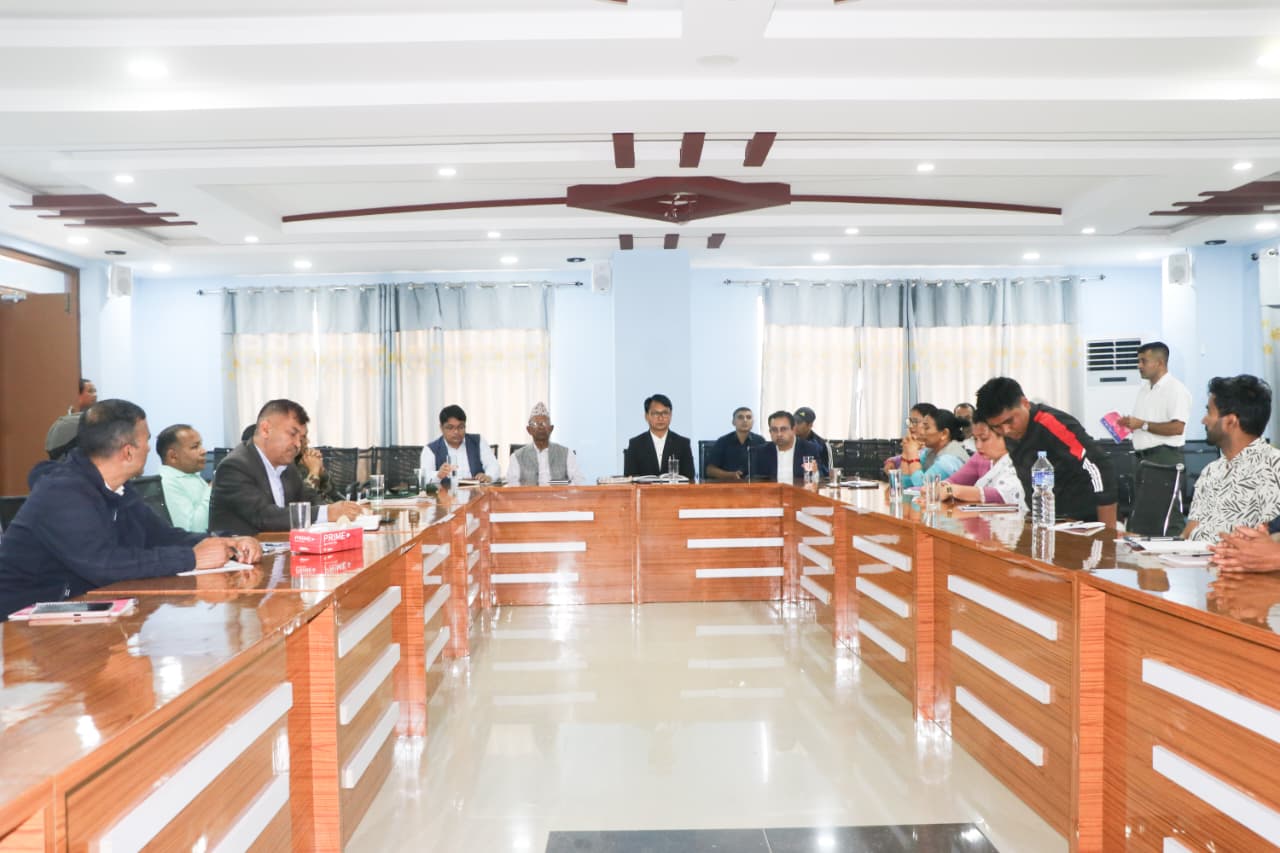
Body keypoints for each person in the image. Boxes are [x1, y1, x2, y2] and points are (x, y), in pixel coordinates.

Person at [0, 399, 261, 619]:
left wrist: (226, 541)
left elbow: (163, 536)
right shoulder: (62, 493)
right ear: (127, 452)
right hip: (25, 625)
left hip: (87, 613)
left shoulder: (120, 489)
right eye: (146, 440)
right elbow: (105, 564)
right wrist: (191, 558)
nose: (149, 448)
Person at [975, 377, 1117, 526]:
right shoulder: (1010, 432)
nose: (1006, 430)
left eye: (1009, 421)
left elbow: (1100, 465)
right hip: (1045, 519)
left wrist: (1108, 530)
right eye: (996, 426)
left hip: (1083, 520)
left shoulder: (1052, 424)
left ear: (1025, 403)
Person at [209, 399, 362, 535]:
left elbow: (309, 498)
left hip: (281, 549)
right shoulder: (235, 467)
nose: (298, 444)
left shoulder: (286, 465)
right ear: (265, 430)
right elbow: (265, 517)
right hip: (240, 555)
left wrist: (341, 511)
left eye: (301, 438)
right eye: (292, 434)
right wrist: (327, 513)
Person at [1182, 375, 1280, 542]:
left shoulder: (1274, 467)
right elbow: (1189, 533)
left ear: (1230, 421)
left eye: (1209, 412)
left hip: (1233, 558)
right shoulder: (1211, 471)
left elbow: (1268, 540)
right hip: (1192, 557)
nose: (1204, 420)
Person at [1117, 341, 1193, 533]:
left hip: (1164, 457)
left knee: (1169, 514)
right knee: (1144, 514)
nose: (1139, 365)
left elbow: (1177, 427)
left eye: (1144, 361)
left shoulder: (1176, 389)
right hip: (1142, 458)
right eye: (1139, 361)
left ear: (1159, 362)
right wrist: (1129, 425)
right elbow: (1145, 424)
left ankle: (1177, 548)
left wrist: (1142, 424)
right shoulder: (1144, 389)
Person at [942, 419, 1024, 506]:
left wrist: (952, 490)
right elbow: (953, 481)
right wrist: (941, 488)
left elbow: (1002, 495)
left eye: (984, 439)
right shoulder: (981, 456)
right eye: (975, 439)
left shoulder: (1022, 459)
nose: (978, 446)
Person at [506, 402, 586, 486]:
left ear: (551, 429)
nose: (541, 427)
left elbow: (578, 480)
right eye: (535, 424)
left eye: (545, 423)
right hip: (529, 494)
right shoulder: (516, 456)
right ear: (529, 430)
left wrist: (557, 484)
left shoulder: (567, 453)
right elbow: (512, 485)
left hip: (559, 494)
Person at [421, 404, 501, 485]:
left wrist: (488, 476)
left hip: (476, 491)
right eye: (450, 428)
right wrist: (438, 475)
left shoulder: (478, 441)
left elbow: (493, 465)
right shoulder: (431, 449)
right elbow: (424, 478)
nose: (456, 432)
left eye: (460, 427)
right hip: (447, 492)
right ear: (441, 428)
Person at [157, 423, 212, 533]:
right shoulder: (166, 482)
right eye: (195, 447)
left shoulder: (189, 475)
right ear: (173, 456)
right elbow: (193, 530)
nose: (203, 451)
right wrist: (212, 489)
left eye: (201, 445)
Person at [750, 410, 827, 483]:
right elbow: (754, 480)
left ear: (793, 430)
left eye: (783, 429)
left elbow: (821, 478)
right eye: (774, 430)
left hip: (799, 491)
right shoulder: (761, 452)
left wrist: (815, 473)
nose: (779, 434)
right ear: (770, 432)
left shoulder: (809, 449)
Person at [901, 409, 969, 486]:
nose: (922, 432)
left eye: (926, 428)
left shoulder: (951, 459)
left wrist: (912, 452)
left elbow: (923, 485)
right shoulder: (930, 451)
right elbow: (906, 483)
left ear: (944, 433)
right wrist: (906, 451)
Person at [705, 407, 767, 481]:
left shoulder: (760, 441)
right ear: (733, 422)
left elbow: (767, 467)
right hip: (728, 484)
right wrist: (729, 475)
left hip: (754, 485)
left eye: (749, 417)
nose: (745, 420)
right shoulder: (723, 441)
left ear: (753, 422)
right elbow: (710, 470)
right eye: (740, 417)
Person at [43, 377, 98, 460]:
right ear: (77, 395)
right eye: (90, 391)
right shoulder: (68, 423)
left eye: (95, 391)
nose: (95, 395)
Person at [885, 403, 938, 472]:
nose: (911, 426)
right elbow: (898, 459)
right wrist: (891, 461)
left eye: (915, 422)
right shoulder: (918, 446)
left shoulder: (934, 449)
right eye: (910, 421)